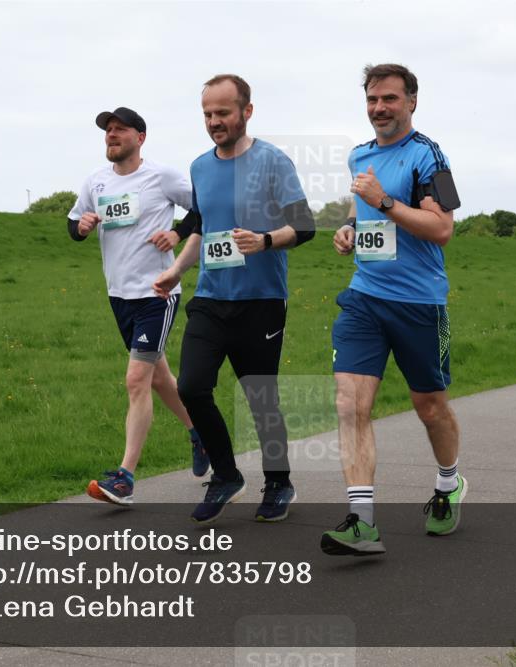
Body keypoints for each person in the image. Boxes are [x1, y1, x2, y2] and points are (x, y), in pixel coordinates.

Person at [153, 74, 315, 524]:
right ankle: (225, 475)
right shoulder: (200, 167)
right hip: (211, 298)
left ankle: (279, 482)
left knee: (260, 397)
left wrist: (265, 241)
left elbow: (304, 226)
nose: (214, 121)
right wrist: (176, 270)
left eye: (222, 112)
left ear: (247, 111)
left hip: (262, 301)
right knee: (191, 387)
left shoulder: (272, 161)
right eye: (207, 114)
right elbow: (203, 227)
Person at [320, 64, 466, 556]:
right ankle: (362, 522)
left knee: (430, 407)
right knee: (350, 404)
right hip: (365, 297)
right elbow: (359, 208)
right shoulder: (359, 155)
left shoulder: (429, 156)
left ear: (411, 102)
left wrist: (383, 202)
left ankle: (448, 484)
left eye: (389, 99)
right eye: (372, 99)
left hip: (419, 302)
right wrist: (349, 229)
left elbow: (441, 229)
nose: (379, 108)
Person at [67, 106, 210, 506]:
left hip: (157, 294)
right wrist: (81, 227)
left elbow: (203, 207)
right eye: (107, 130)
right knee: (160, 379)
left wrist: (177, 233)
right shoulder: (96, 181)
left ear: (140, 137)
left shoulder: (161, 176)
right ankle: (200, 434)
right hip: (119, 296)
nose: (111, 135)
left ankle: (125, 478)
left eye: (119, 129)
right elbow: (73, 223)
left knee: (136, 380)